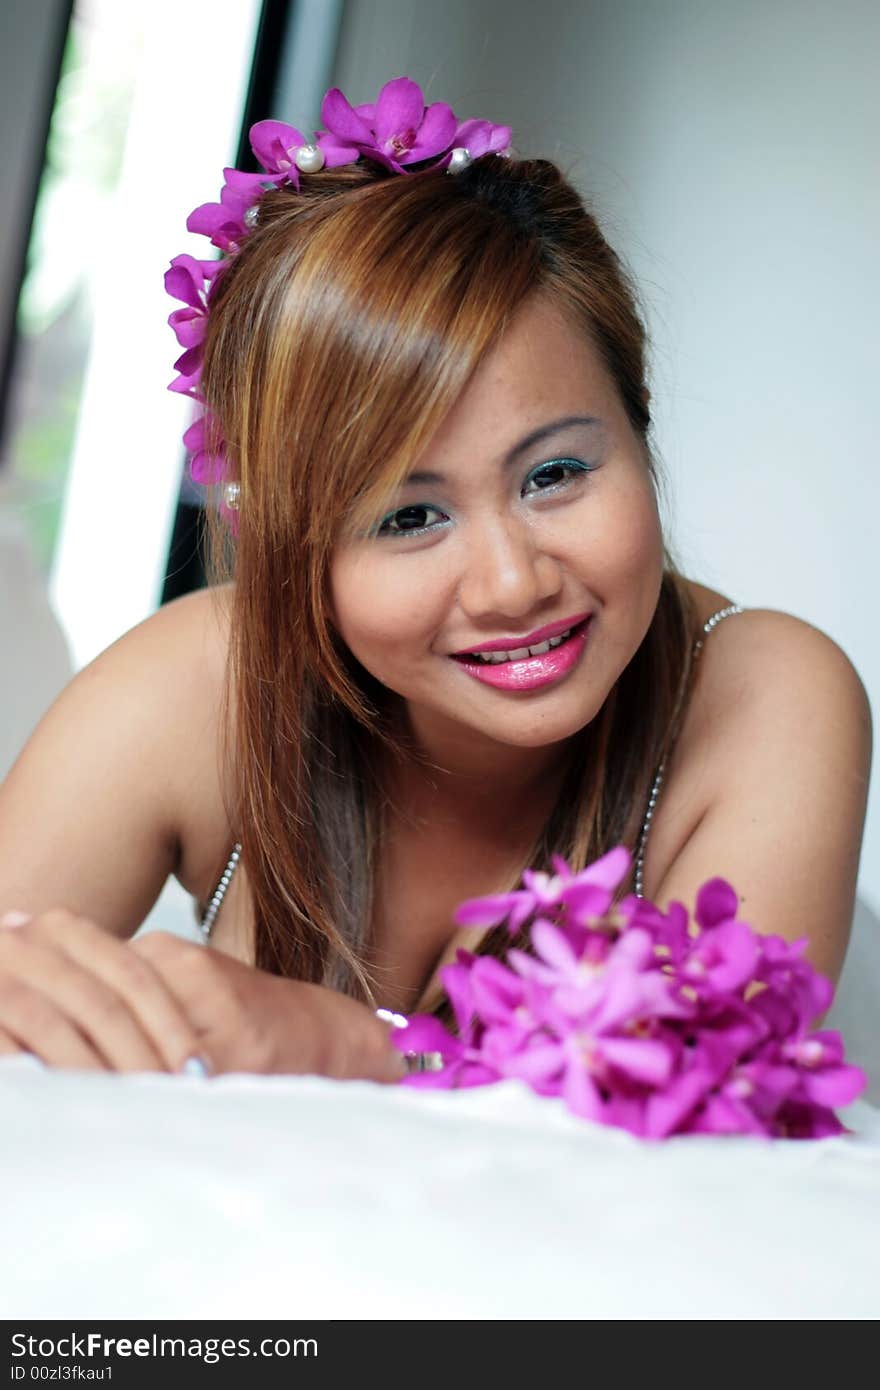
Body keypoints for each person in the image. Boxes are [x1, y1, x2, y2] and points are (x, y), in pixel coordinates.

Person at [0, 77, 871, 1082]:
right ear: (294, 549)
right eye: (407, 517)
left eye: (555, 473)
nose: (509, 585)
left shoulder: (765, 690)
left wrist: (340, 1045)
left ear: (639, 422)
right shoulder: (203, 682)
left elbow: (704, 1099)